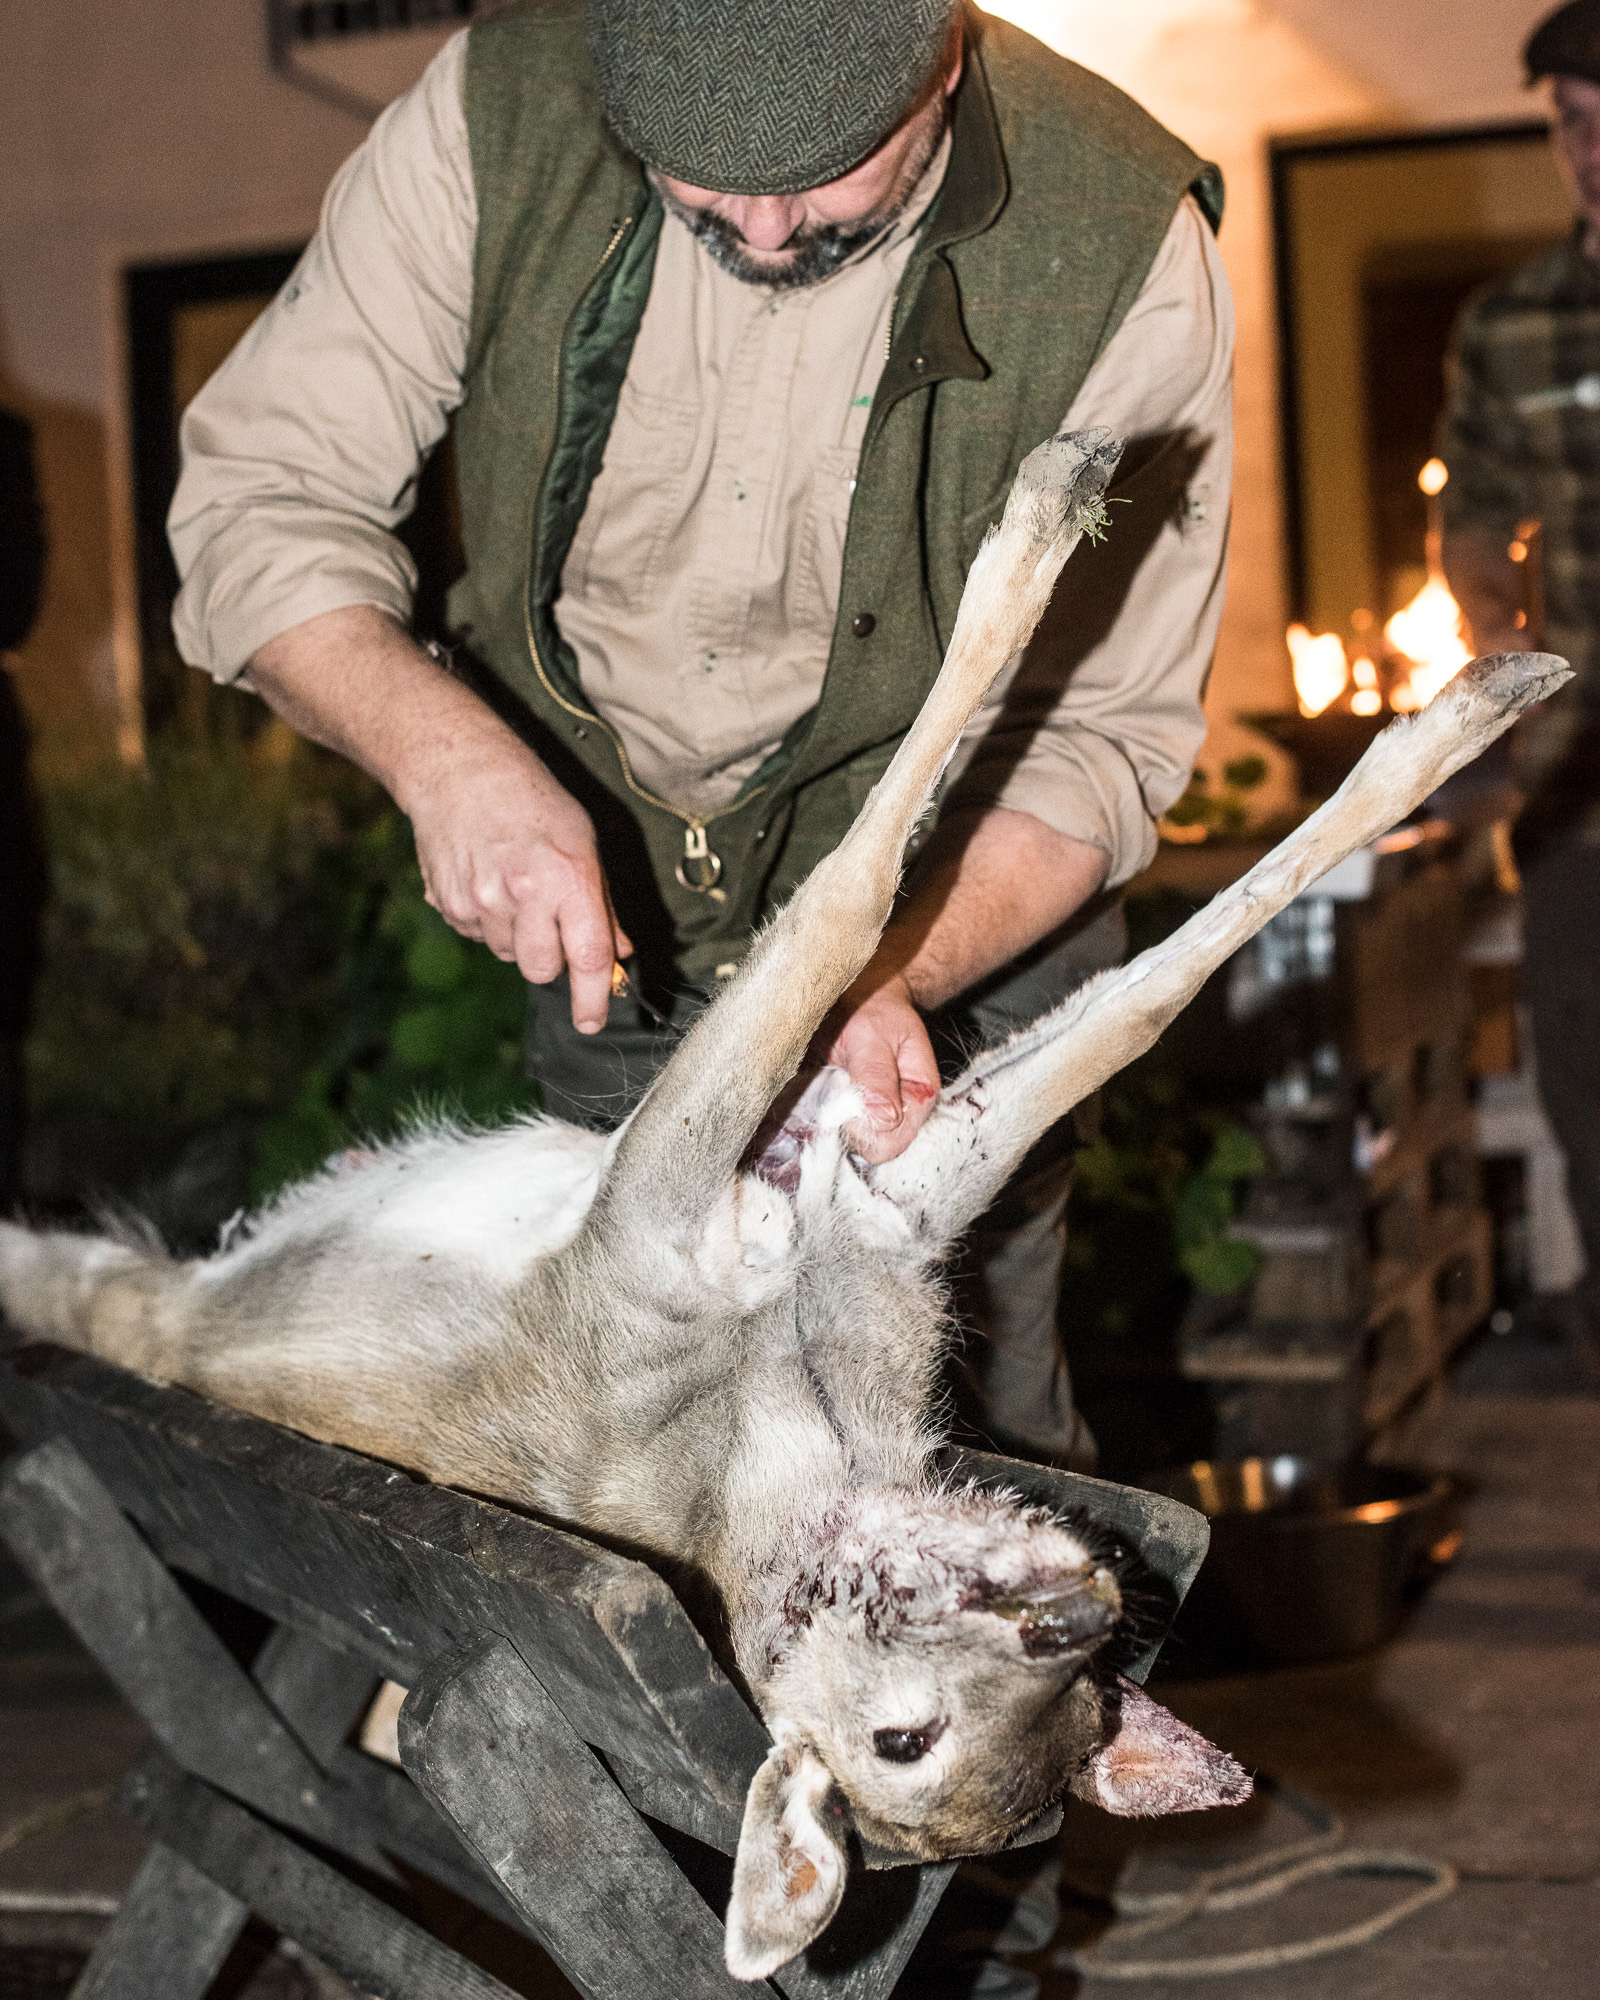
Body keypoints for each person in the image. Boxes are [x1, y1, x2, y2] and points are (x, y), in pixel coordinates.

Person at [168, 0, 1232, 1483]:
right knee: (633, 1464)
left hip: (953, 922)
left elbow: (1103, 738)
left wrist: (881, 972)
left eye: (827, 173)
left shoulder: (1118, 235)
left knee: (953, 1469)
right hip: (628, 920)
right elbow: (261, 500)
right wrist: (444, 751)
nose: (766, 225)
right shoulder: (498, 114)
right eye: (699, 181)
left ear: (943, 55)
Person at [1441, 0, 1600, 1348]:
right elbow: (1476, 523)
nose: (1596, 153)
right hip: (1575, 798)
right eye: (1575, 126)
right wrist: (1495, 636)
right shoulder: (1513, 328)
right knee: (1588, 1103)